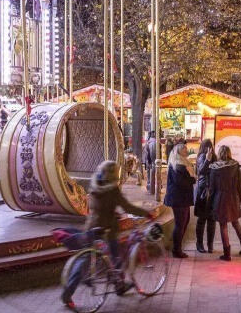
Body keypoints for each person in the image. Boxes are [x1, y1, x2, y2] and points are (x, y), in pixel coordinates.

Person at [62, 161, 154, 308]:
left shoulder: (94, 185)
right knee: (116, 256)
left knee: (85, 258)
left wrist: (110, 211)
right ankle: (119, 285)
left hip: (91, 225)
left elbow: (97, 205)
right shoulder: (113, 190)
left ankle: (67, 294)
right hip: (108, 229)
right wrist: (146, 213)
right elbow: (128, 207)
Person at [208, 145, 241, 261]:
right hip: (233, 196)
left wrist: (210, 203)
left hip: (220, 198)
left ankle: (227, 253)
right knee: (235, 222)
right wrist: (239, 199)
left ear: (219, 153)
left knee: (223, 225)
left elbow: (212, 188)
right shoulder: (235, 166)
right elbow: (239, 185)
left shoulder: (214, 168)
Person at [163, 142, 195, 258]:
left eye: (186, 149)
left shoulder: (182, 163)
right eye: (184, 149)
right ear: (178, 152)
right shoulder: (177, 165)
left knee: (184, 222)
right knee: (180, 224)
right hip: (179, 199)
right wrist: (192, 179)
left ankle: (177, 247)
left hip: (181, 198)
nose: (186, 151)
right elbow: (181, 183)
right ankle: (176, 249)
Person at [194, 139, 216, 253]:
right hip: (203, 191)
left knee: (211, 220)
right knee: (202, 218)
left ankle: (210, 244)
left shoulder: (214, 157)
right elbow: (201, 171)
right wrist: (207, 159)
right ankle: (199, 244)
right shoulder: (202, 157)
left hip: (211, 191)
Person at [144, 131, 158, 195]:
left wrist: (150, 161)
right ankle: (151, 187)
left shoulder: (152, 142)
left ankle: (151, 187)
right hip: (151, 161)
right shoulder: (153, 142)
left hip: (151, 162)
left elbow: (151, 154)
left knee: (151, 174)